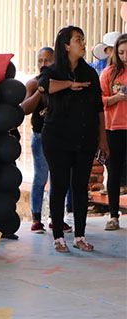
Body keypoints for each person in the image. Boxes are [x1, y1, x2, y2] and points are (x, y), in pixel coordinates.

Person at [38, 26, 109, 252]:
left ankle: (80, 235)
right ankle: (58, 236)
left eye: (83, 39)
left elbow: (99, 108)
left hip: (85, 139)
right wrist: (69, 84)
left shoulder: (89, 73)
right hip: (57, 138)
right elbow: (43, 87)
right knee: (59, 185)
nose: (83, 43)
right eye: (78, 39)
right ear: (67, 46)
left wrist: (103, 138)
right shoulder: (54, 70)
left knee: (80, 187)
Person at [21, 47, 73, 234]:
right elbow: (25, 109)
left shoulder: (63, 82)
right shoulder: (33, 84)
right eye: (40, 61)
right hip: (40, 135)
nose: (44, 64)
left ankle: (55, 218)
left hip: (60, 136)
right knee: (41, 176)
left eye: (48, 60)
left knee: (59, 178)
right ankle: (36, 218)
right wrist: (40, 91)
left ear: (56, 61)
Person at [100, 33, 127, 230]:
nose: (125, 56)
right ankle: (113, 215)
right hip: (114, 128)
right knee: (114, 172)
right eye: (121, 52)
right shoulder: (109, 73)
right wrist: (116, 98)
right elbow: (98, 101)